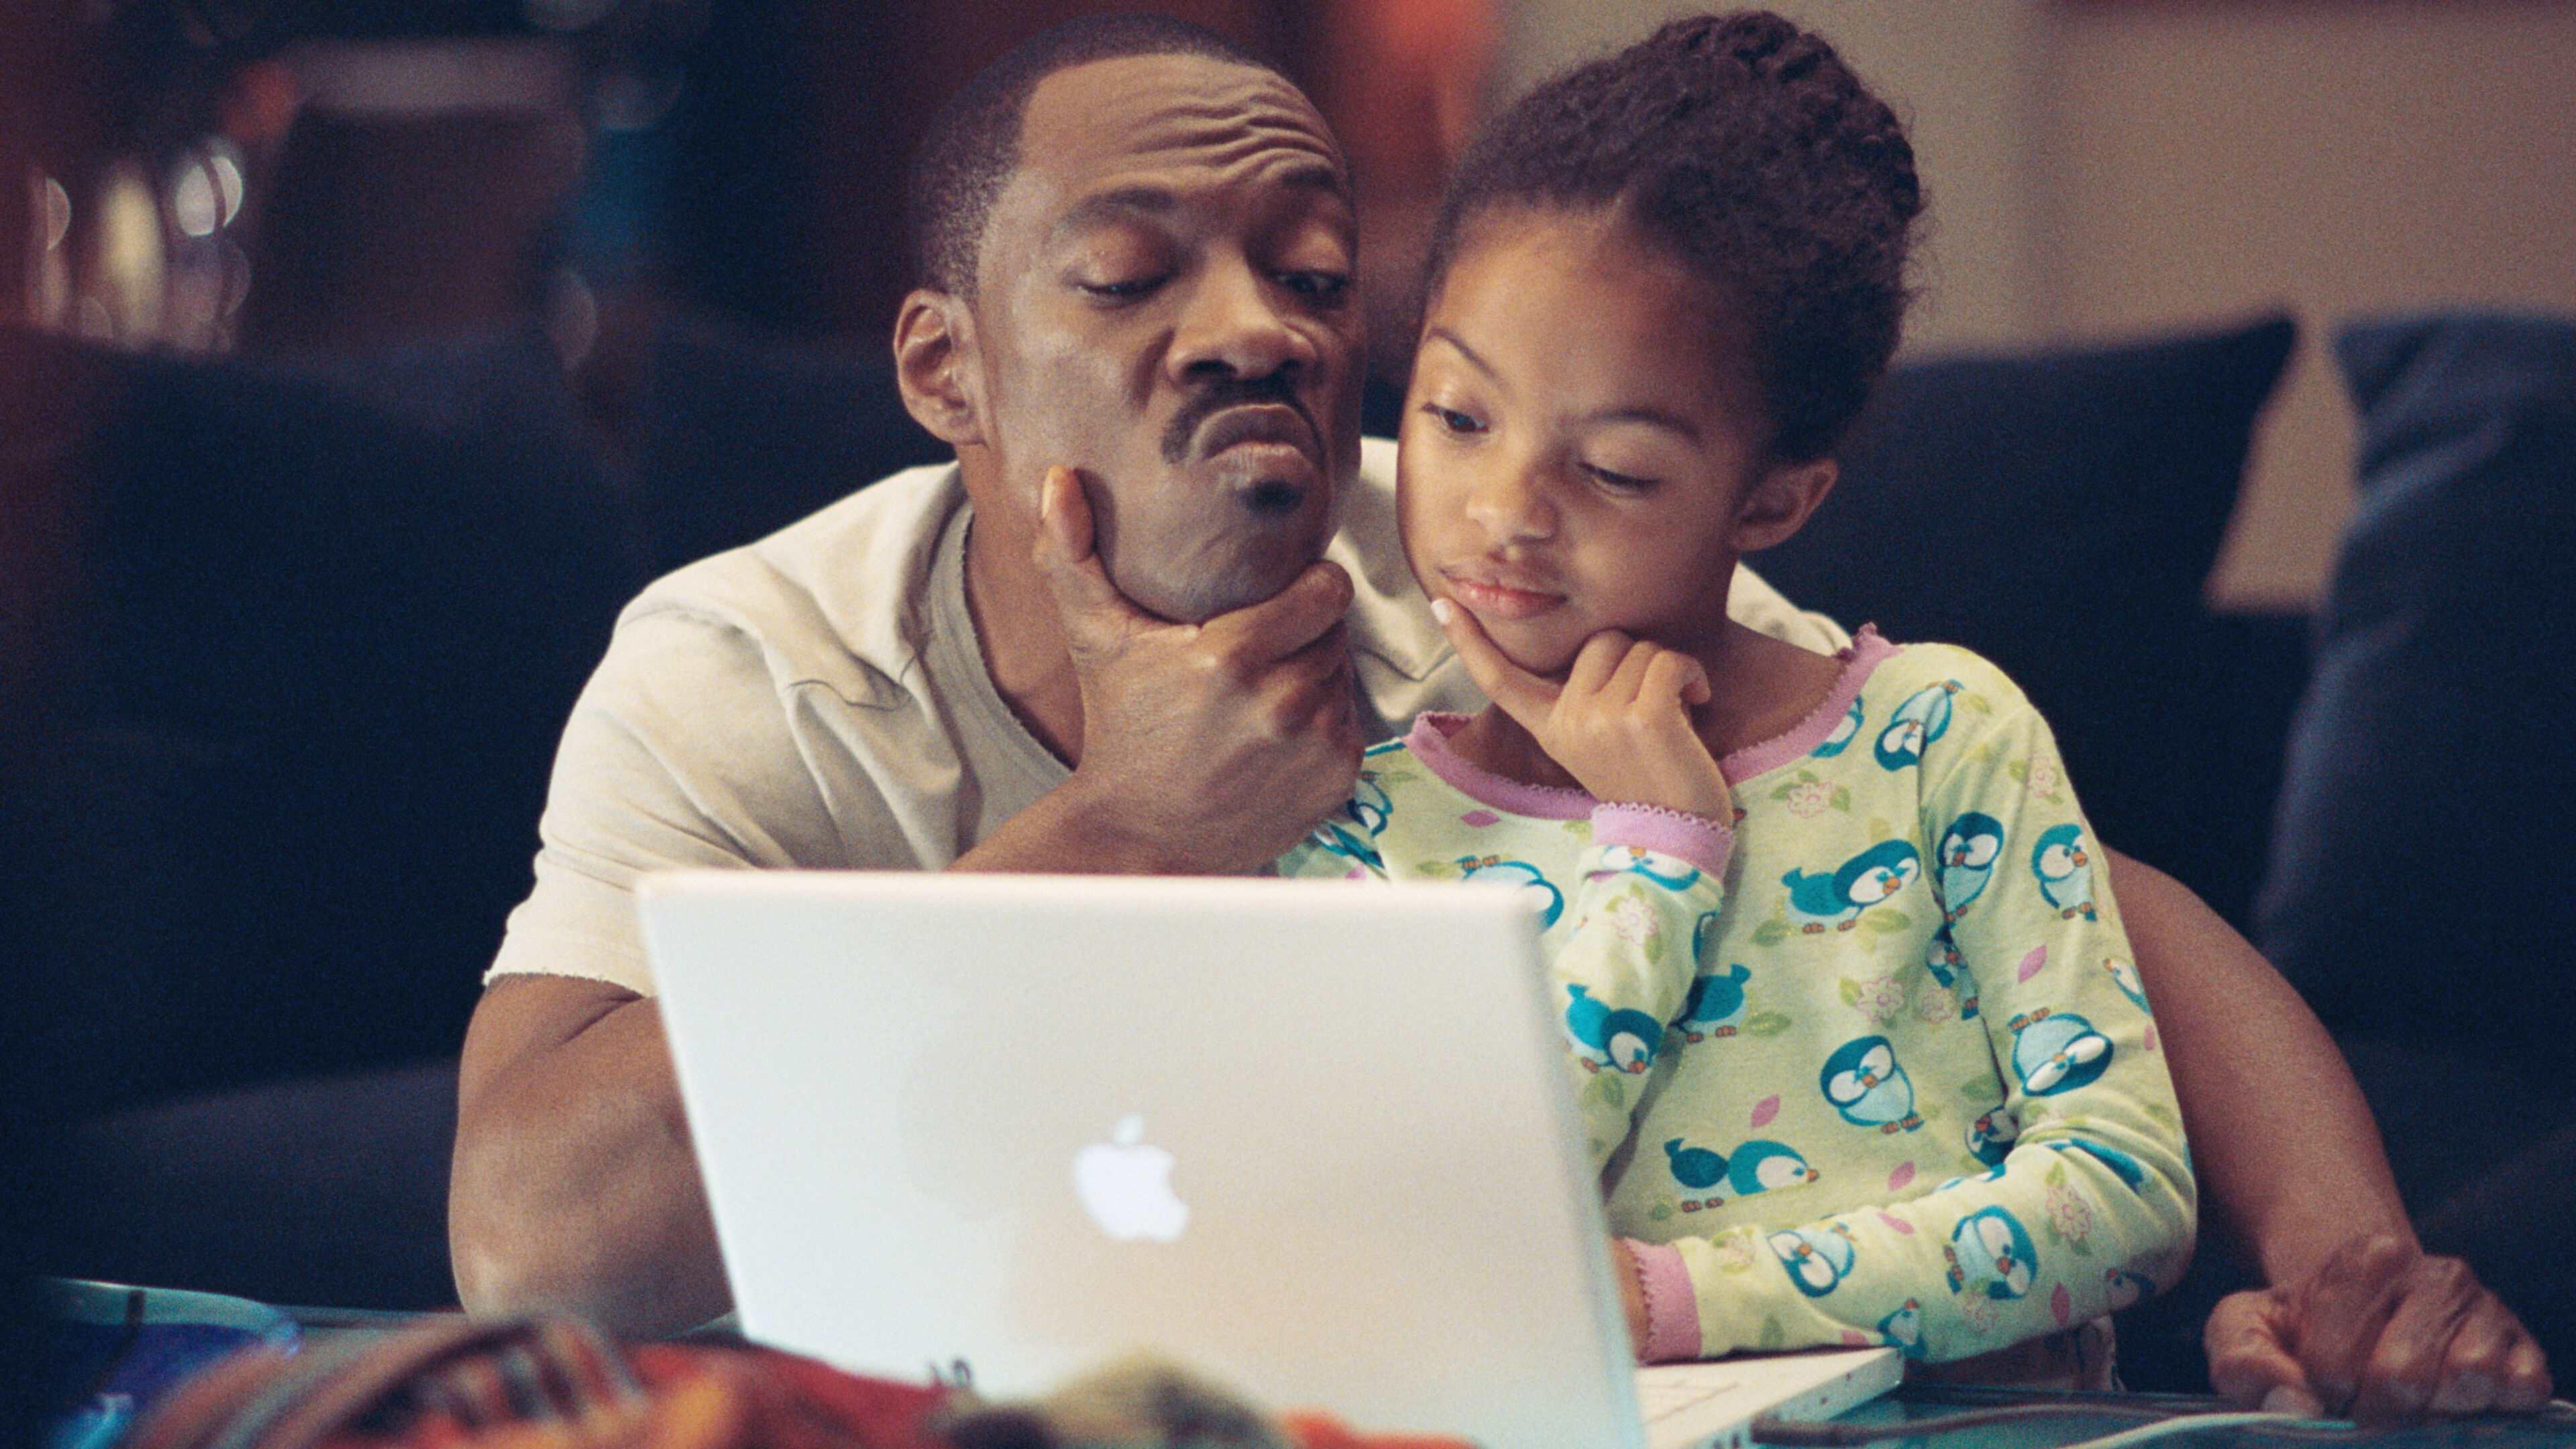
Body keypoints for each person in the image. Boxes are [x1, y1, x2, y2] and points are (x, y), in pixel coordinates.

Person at [446, 13, 2550, 1422]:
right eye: (1131, 273)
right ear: (944, 367)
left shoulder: (1483, 558)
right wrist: (1118, 831)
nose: (1255, 325)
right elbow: (525, 1242)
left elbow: (2014, 871)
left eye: (1305, 264)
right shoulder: (757, 661)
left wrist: (2349, 1258)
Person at [1275, 12, 2189, 1385]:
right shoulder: (1361, 827)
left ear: (1775, 497)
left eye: (1619, 471)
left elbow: (2125, 1197)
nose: (1508, 513)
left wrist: (1670, 1306)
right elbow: (1452, 1241)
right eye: (1460, 419)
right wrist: (1654, 858)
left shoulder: (1940, 739)